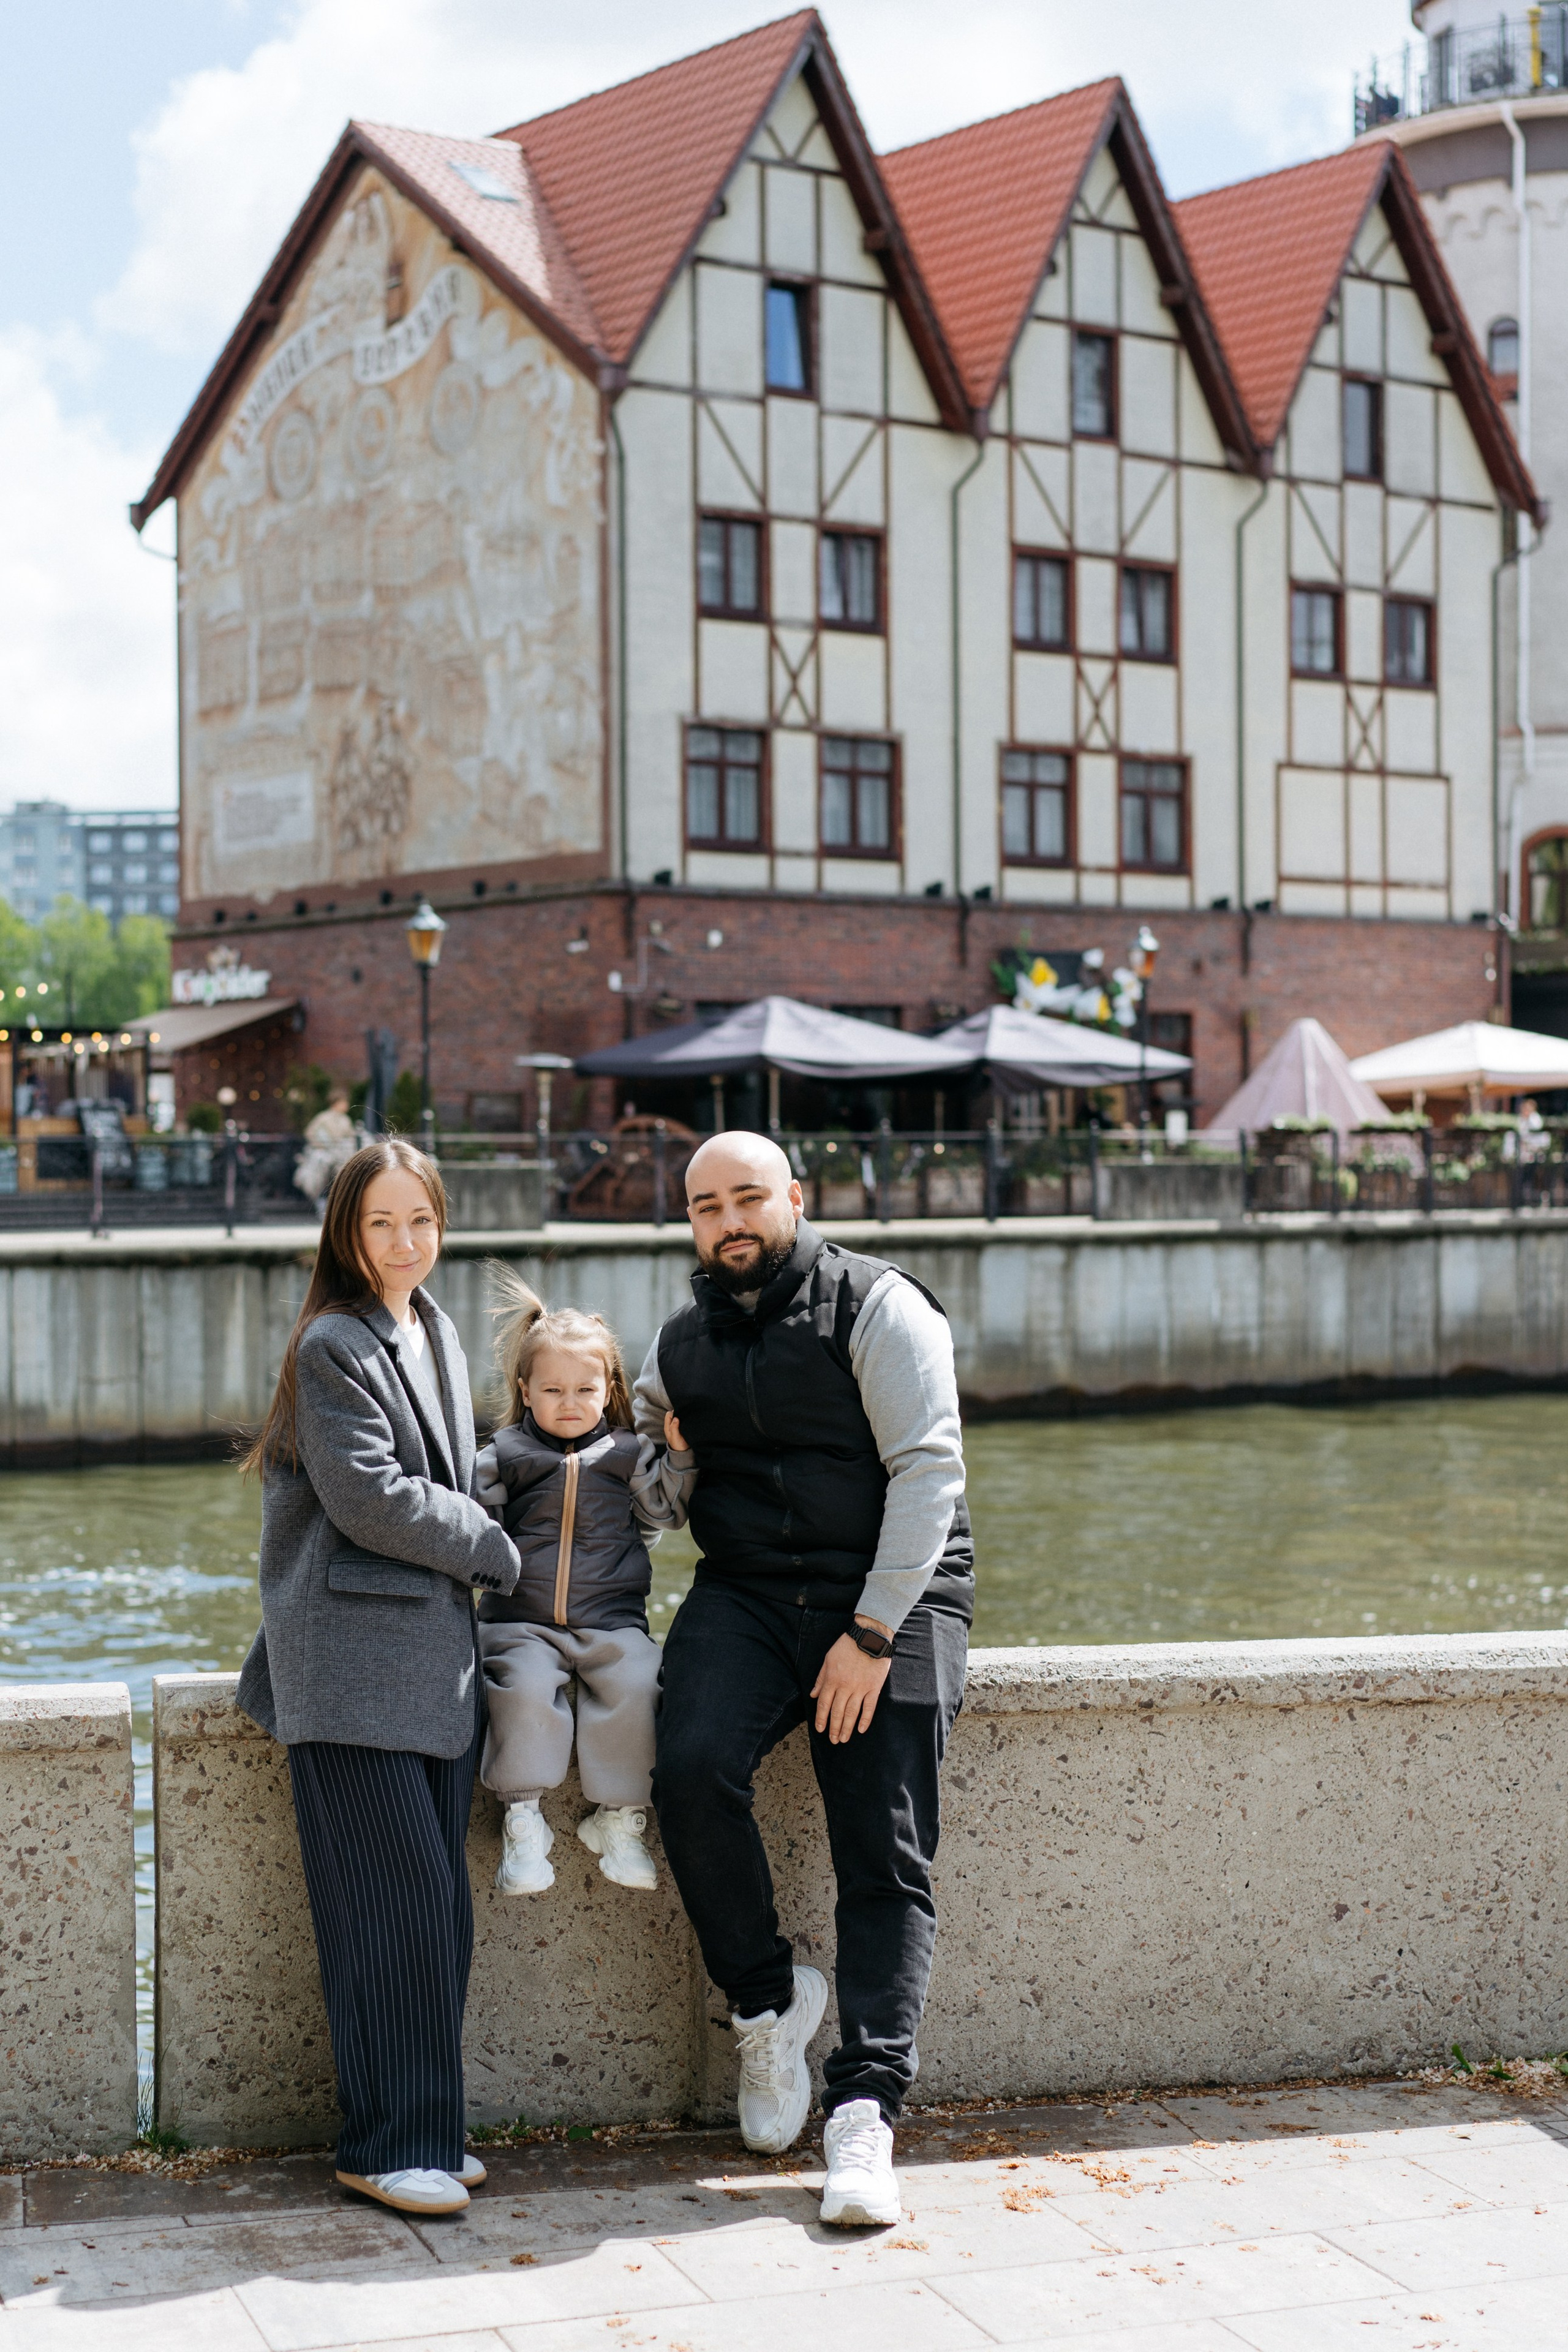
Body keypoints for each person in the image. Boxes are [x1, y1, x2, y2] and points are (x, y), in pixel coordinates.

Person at [636, 1131, 971, 2229]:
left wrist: (872, 1635)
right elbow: (651, 1503)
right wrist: (673, 1460)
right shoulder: (676, 1344)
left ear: (794, 1198)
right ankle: (770, 2003)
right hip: (746, 1591)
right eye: (704, 1208)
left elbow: (930, 1471)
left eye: (747, 1200)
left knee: (880, 1842)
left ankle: (866, 2111)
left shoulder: (880, 1307)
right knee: (685, 1770)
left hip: (895, 1591)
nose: (728, 1223)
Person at [235, 1137, 520, 2220]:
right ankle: (383, 2144)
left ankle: (427, 2131)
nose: (405, 1244)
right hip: (350, 1671)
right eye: (381, 1225)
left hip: (432, 1668)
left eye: (422, 1222)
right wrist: (498, 1546)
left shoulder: (434, 1327)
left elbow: (457, 1470)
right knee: (390, 1911)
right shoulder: (331, 1346)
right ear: (346, 1235)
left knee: (437, 1910)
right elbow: (371, 1500)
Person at [472, 1272, 696, 1897]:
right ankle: (523, 1818)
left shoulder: (626, 1454)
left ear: (610, 1390)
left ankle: (618, 1821)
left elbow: (665, 1514)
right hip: (520, 1621)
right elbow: (474, 1525)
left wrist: (678, 1459)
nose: (568, 1402)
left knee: (637, 1684)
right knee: (520, 1689)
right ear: (524, 1390)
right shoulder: (505, 1454)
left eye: (584, 1389)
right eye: (552, 1389)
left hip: (612, 1621)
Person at [295, 1088, 358, 1214]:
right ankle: (324, 1202)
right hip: (326, 1157)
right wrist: (322, 1146)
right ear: (337, 1102)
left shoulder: (345, 1120)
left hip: (341, 1156)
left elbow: (350, 1138)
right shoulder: (324, 1118)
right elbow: (311, 1133)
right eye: (344, 1102)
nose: (347, 1105)